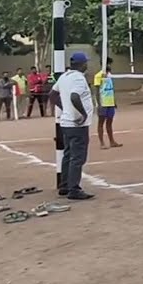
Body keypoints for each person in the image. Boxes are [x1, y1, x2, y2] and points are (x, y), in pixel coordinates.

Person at [53, 52, 95, 200]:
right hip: (77, 124)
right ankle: (74, 189)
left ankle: (64, 185)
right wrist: (83, 114)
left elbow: (53, 94)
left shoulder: (64, 76)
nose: (87, 65)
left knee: (68, 154)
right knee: (77, 157)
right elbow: (74, 96)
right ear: (81, 64)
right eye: (85, 63)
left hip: (66, 123)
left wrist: (64, 108)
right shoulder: (78, 78)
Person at [93, 58, 122, 150]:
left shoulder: (109, 75)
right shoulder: (98, 76)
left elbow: (111, 89)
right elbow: (97, 91)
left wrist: (114, 101)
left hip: (110, 102)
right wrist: (99, 104)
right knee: (101, 123)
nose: (110, 66)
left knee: (109, 122)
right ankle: (102, 143)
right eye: (108, 64)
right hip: (103, 103)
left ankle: (112, 141)